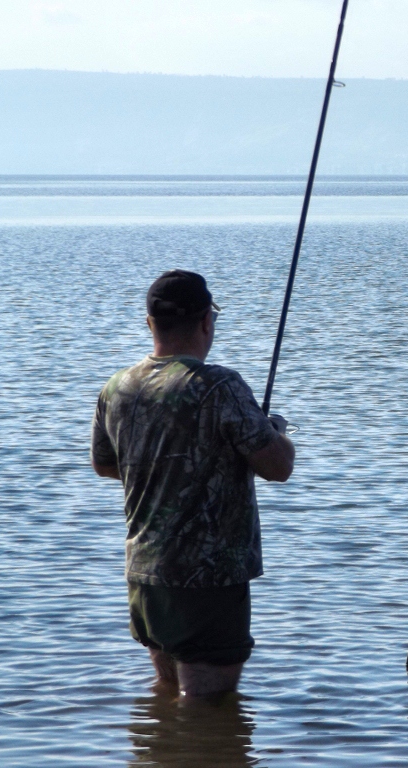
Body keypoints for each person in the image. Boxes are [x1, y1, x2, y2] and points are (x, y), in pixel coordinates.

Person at [91, 269, 295, 698]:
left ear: (150, 323)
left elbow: (106, 465)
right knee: (207, 705)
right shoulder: (219, 386)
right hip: (209, 580)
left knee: (168, 696)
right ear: (207, 322)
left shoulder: (117, 388)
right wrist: (275, 431)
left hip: (145, 574)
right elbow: (277, 466)